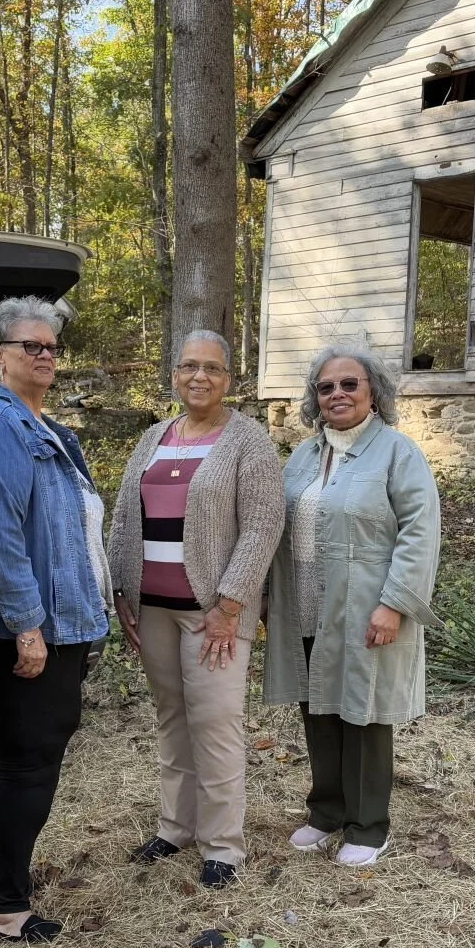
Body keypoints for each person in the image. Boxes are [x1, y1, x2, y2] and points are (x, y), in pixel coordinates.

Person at [0, 297, 111, 943]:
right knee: (30, 763)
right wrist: (26, 624)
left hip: (63, 620)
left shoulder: (46, 427)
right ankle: (8, 908)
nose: (44, 355)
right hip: (33, 629)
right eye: (29, 346)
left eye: (50, 346)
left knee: (1, 749)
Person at [107, 330, 284, 888]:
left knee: (215, 724)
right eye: (188, 366)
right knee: (172, 719)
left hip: (212, 613)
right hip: (153, 608)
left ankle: (223, 846)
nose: (199, 376)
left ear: (228, 379)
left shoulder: (248, 440)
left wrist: (230, 605)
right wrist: (121, 589)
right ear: (174, 374)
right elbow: (123, 516)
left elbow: (262, 525)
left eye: (211, 367)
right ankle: (175, 825)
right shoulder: (155, 436)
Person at [264, 344, 442, 868]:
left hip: (368, 608)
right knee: (318, 707)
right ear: (313, 399)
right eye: (326, 387)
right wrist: (269, 598)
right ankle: (326, 814)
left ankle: (368, 825)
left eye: (349, 384)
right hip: (306, 605)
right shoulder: (301, 457)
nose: (336, 394)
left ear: (373, 394)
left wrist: (395, 604)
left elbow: (420, 531)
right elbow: (279, 527)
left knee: (362, 713)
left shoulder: (397, 452)